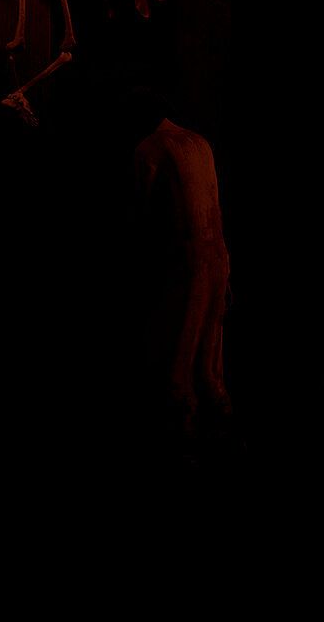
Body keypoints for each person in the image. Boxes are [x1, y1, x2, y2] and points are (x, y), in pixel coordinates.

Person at [122, 88, 233, 447]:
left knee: (176, 356)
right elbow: (215, 205)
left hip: (184, 262)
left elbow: (142, 210)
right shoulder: (200, 143)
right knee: (210, 359)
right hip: (216, 256)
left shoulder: (149, 149)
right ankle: (225, 434)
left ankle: (184, 446)